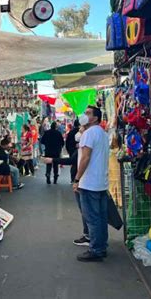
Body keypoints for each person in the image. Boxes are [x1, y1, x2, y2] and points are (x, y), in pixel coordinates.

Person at [73, 106, 110, 262]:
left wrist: (77, 179)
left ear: (95, 118)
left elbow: (85, 157)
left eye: (88, 113)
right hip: (101, 182)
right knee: (101, 217)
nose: (84, 115)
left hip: (89, 183)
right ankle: (101, 246)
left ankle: (95, 249)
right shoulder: (102, 133)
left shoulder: (88, 134)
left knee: (92, 218)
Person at [44, 126, 89, 246]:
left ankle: (89, 237)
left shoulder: (85, 149)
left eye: (81, 130)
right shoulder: (82, 148)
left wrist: (77, 180)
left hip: (84, 181)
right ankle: (89, 236)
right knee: (86, 210)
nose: (79, 131)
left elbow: (73, 161)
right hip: (83, 180)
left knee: (86, 211)